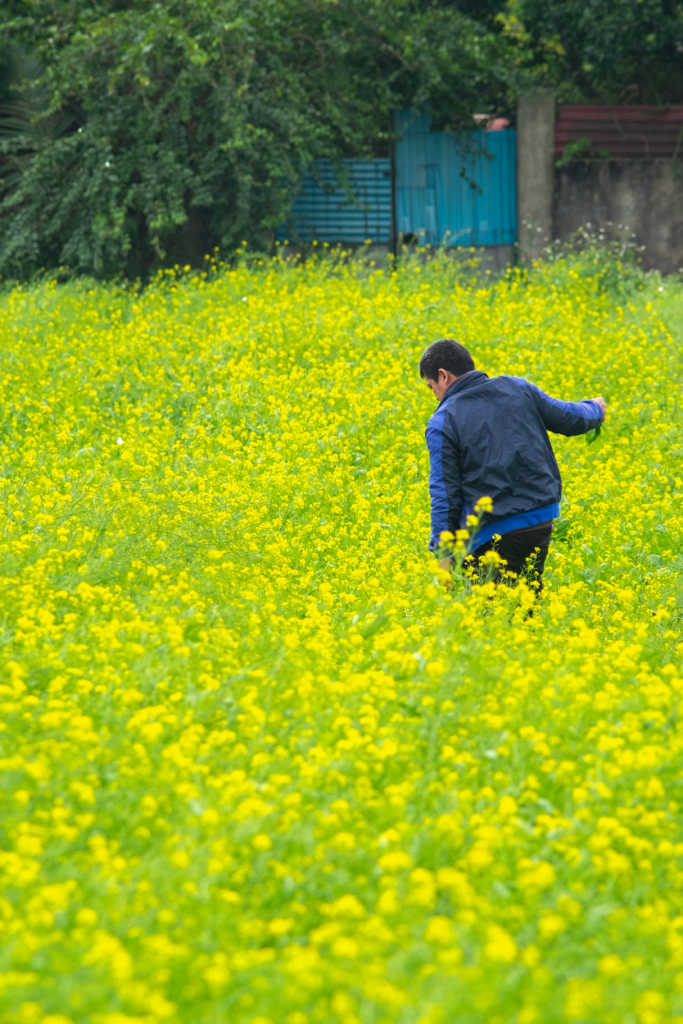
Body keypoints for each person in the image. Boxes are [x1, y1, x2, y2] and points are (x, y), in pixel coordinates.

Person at [420, 338, 606, 593]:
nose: (435, 397)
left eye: (432, 388)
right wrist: (594, 409)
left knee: (484, 617)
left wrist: (443, 556)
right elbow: (568, 417)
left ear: (443, 376)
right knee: (524, 603)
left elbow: (444, 494)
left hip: (491, 533)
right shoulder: (518, 387)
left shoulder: (443, 420)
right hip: (539, 520)